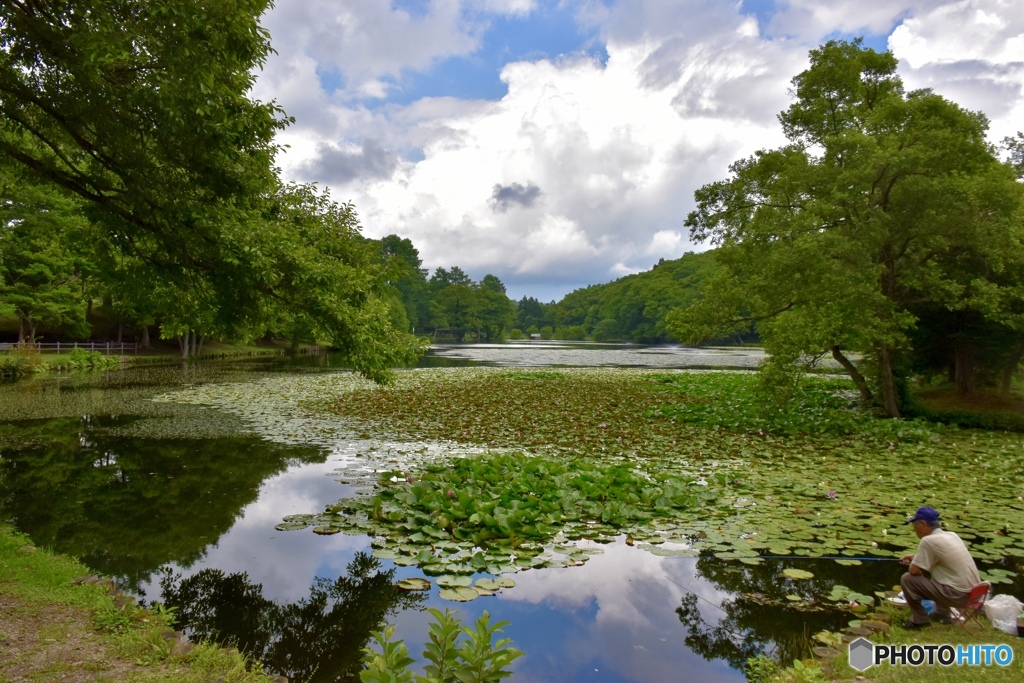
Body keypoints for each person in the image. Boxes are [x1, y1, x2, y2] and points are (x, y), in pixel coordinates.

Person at [899, 506, 982, 628]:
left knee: (907, 579)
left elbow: (913, 571)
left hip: (959, 597)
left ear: (923, 524)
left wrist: (914, 563)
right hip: (976, 593)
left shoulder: (928, 541)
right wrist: (916, 558)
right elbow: (941, 558)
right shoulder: (952, 535)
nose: (914, 529)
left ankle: (920, 621)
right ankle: (942, 615)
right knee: (943, 575)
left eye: (914, 525)